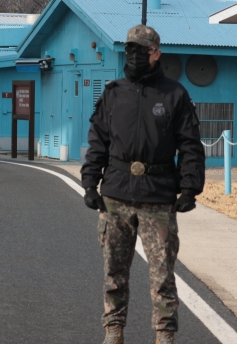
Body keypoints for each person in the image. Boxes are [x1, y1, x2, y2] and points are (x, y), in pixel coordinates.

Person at [80, 25, 205, 344]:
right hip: (116, 195)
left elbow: (190, 144)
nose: (134, 55)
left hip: (158, 195)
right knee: (114, 271)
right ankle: (113, 330)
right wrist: (90, 183)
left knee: (162, 274)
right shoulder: (113, 92)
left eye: (141, 50)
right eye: (129, 50)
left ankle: (164, 335)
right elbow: (98, 142)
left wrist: (190, 188)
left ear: (156, 53)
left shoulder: (175, 94)